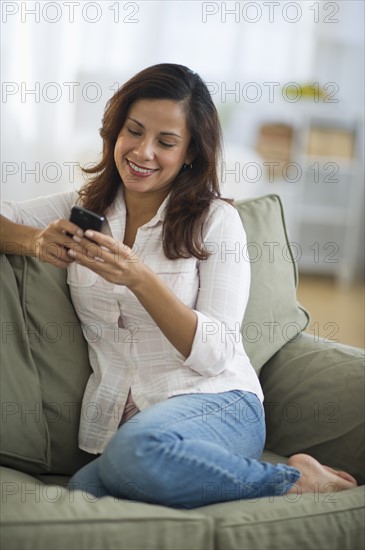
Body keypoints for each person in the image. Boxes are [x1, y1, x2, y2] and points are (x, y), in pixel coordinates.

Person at [0, 63, 357, 508]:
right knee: (83, 493)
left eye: (166, 142)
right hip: (130, 426)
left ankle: (294, 480)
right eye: (133, 131)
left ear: (189, 152)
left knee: (134, 452)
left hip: (218, 403)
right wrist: (32, 240)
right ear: (115, 131)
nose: (143, 152)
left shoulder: (217, 221)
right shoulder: (84, 206)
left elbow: (216, 354)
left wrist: (140, 279)